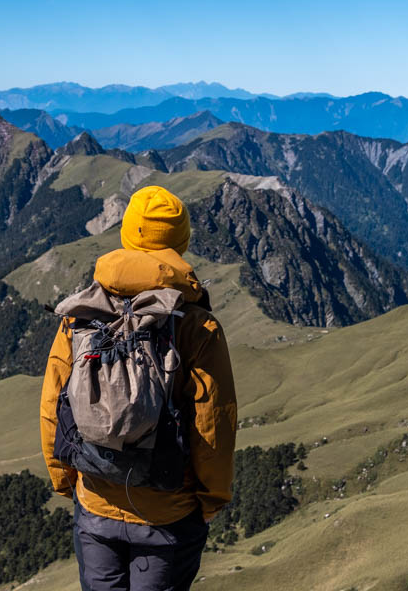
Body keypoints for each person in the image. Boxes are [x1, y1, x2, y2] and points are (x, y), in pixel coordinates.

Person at [39, 185, 237, 591]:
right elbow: (212, 423)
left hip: (94, 501)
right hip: (167, 515)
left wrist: (64, 478)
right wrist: (211, 500)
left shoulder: (83, 313)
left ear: (127, 234)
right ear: (180, 243)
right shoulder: (196, 324)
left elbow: (53, 401)